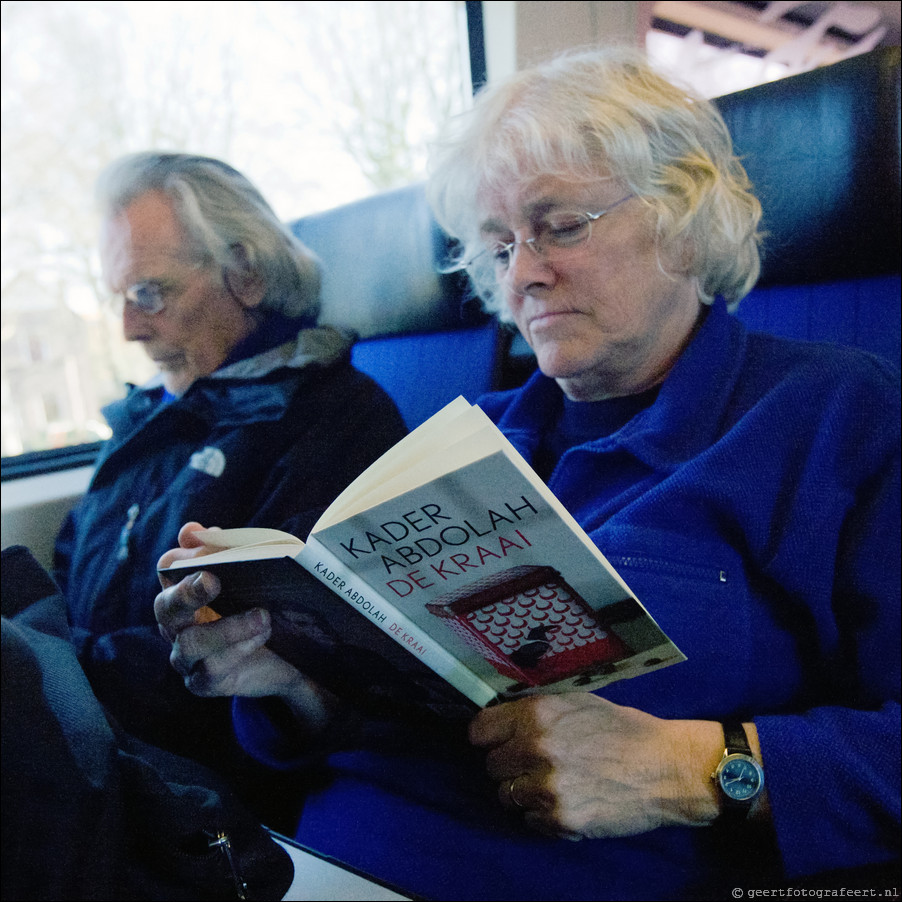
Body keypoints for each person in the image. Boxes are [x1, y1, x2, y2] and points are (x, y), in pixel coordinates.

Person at [154, 51, 900, 899]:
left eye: (561, 226)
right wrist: (289, 678)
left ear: (685, 216)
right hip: (315, 863)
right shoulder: (469, 445)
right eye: (500, 243)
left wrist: (692, 767)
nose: (523, 272)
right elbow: (407, 709)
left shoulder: (839, 418)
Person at [54, 152, 407, 798]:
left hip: (192, 787)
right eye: (122, 299)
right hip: (92, 751)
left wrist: (39, 672)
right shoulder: (146, 420)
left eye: (149, 293)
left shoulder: (333, 422)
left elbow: (243, 655)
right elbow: (67, 570)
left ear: (244, 273)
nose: (129, 328)